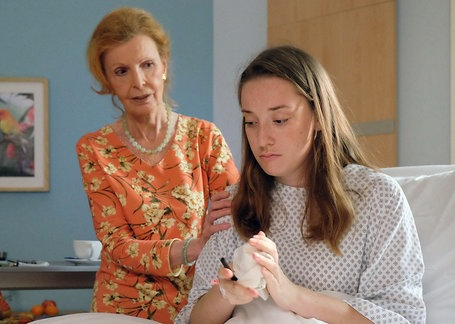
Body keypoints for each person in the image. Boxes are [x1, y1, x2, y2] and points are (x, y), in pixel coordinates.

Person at [175, 46, 426, 323]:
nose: (262, 139)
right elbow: (191, 319)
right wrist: (227, 293)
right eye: (251, 122)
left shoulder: (377, 198)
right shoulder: (233, 205)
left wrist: (292, 295)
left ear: (318, 116)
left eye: (280, 120)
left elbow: (402, 318)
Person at [75, 7, 239, 323]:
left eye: (147, 65)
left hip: (200, 307)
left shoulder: (205, 137)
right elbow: (118, 246)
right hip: (121, 309)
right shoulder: (94, 149)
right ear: (107, 80)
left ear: (163, 65)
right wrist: (193, 248)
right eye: (121, 71)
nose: (139, 82)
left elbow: (235, 220)